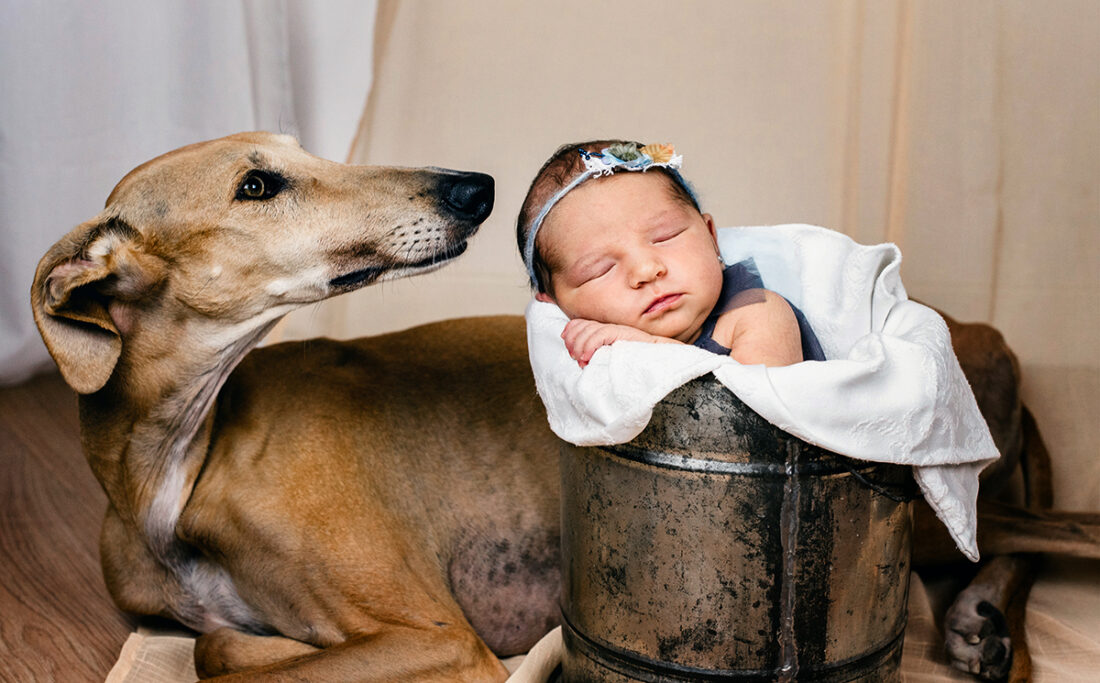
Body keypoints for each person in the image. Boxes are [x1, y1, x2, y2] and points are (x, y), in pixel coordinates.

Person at [516, 139, 825, 368]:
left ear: (711, 236)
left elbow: (753, 419)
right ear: (554, 304)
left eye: (665, 237)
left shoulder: (756, 313)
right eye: (601, 269)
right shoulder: (581, 345)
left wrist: (650, 348)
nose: (646, 271)